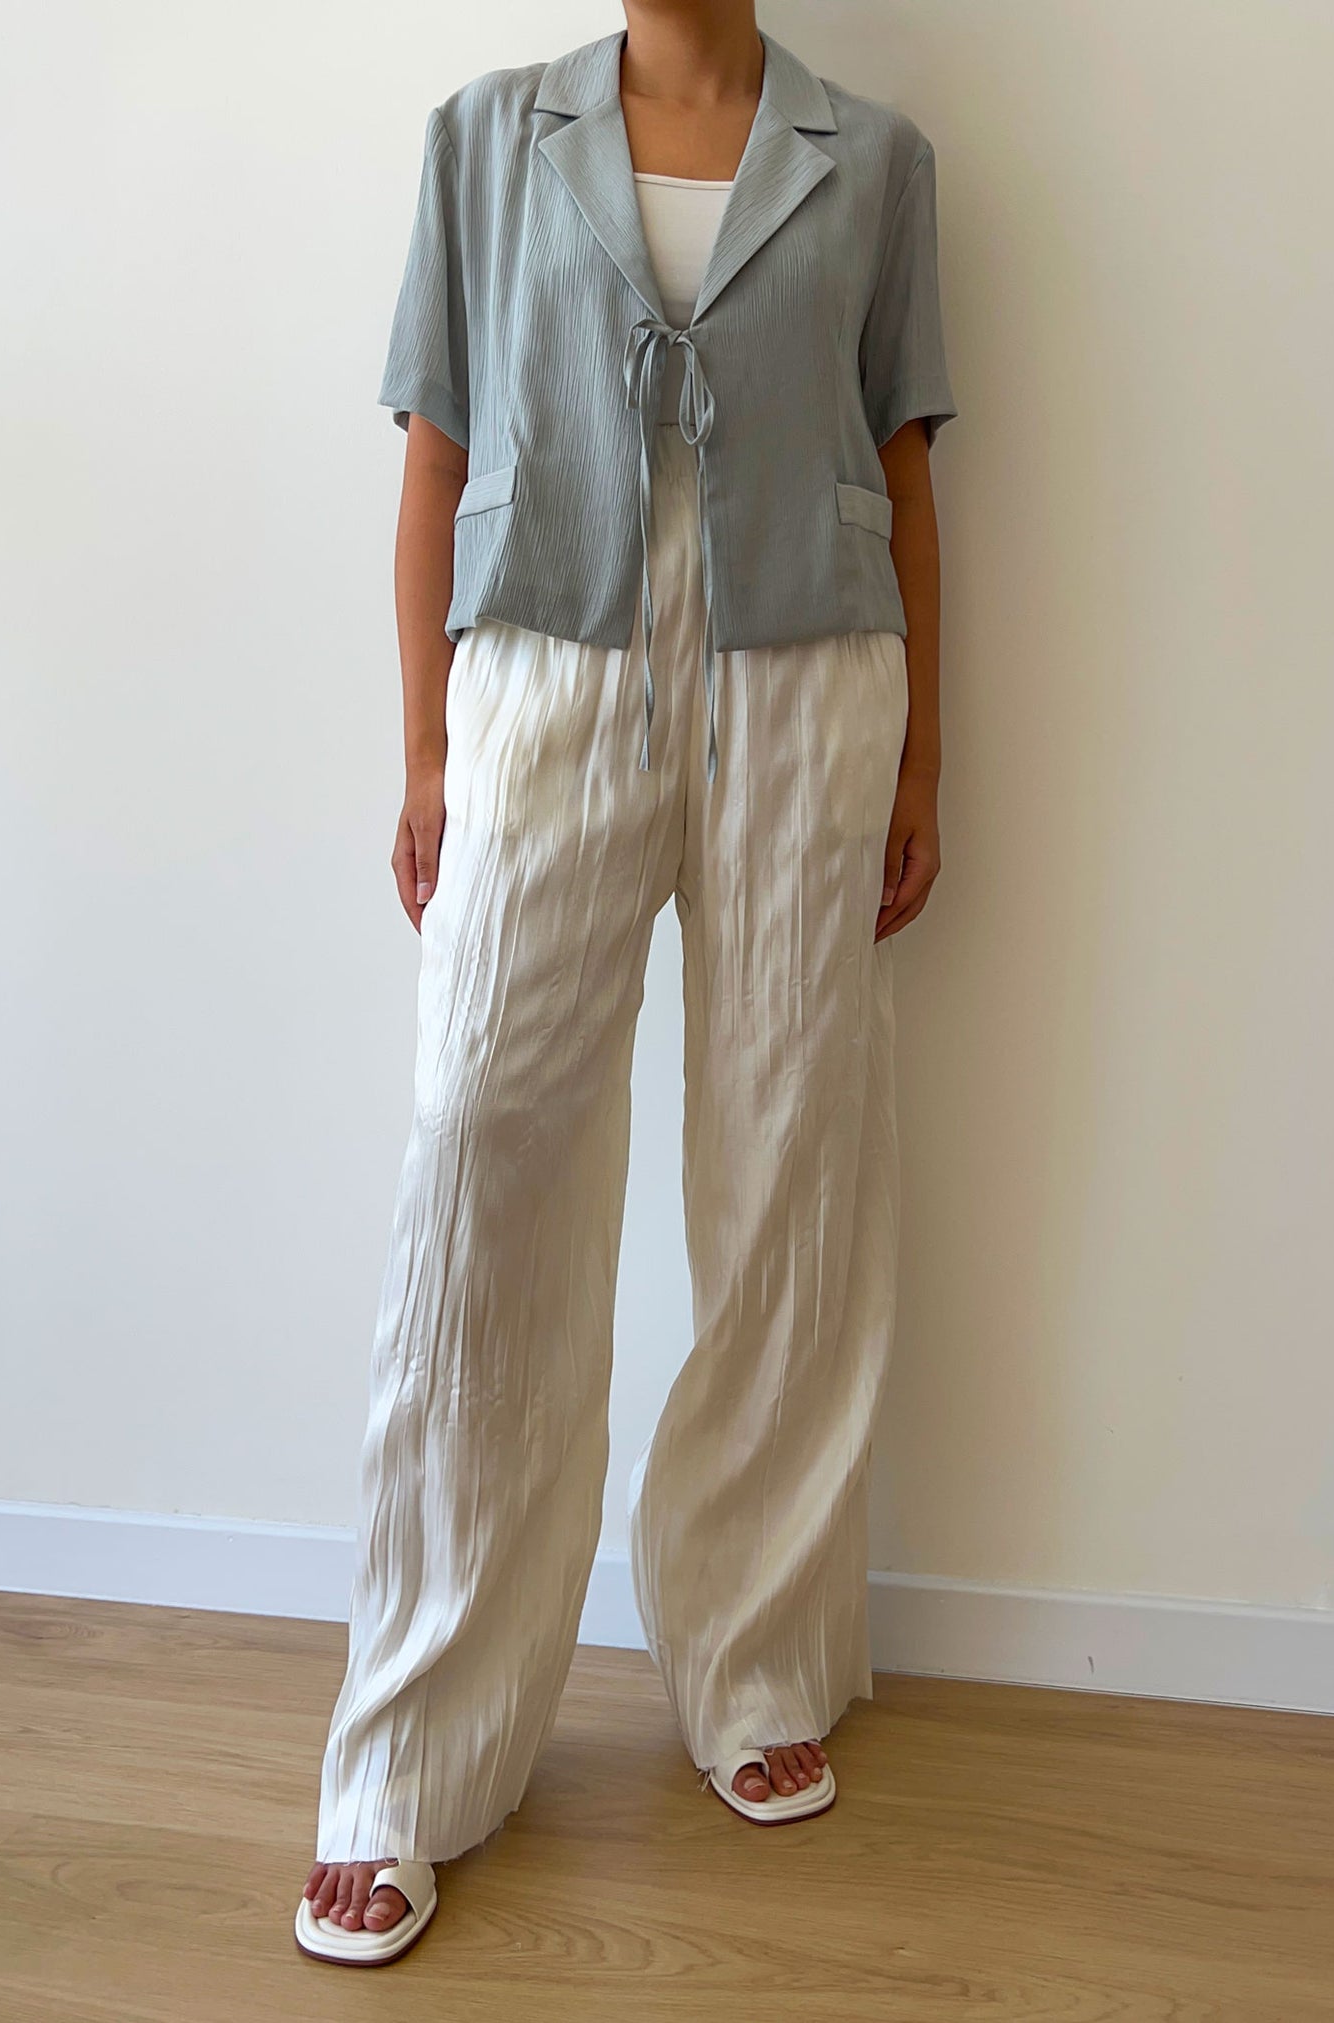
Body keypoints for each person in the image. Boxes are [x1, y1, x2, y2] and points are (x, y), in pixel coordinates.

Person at [296, 0, 956, 1967]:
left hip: (807, 678)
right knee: (479, 1160)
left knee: (790, 1161)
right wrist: (428, 749)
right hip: (545, 675)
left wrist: (924, 760)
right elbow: (433, 452)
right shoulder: (484, 136)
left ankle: (754, 1657)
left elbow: (906, 472)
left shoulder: (875, 160)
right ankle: (410, 1749)